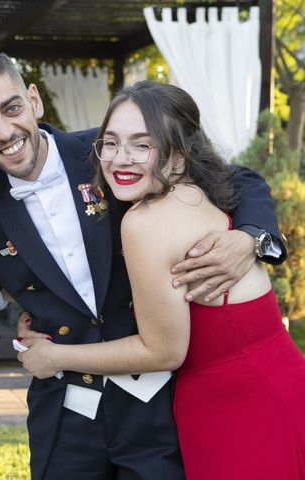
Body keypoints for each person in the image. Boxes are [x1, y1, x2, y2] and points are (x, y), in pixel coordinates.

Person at [0, 51, 286, 479]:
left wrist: (250, 237)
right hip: (65, 416)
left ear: (34, 101)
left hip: (157, 408)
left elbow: (239, 178)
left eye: (11, 108)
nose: (4, 131)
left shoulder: (112, 152)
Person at [18, 80, 305, 479]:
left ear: (177, 155)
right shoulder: (200, 191)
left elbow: (163, 351)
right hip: (282, 378)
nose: (121, 159)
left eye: (141, 145)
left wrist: (56, 357)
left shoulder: (145, 222)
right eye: (112, 143)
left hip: (234, 402)